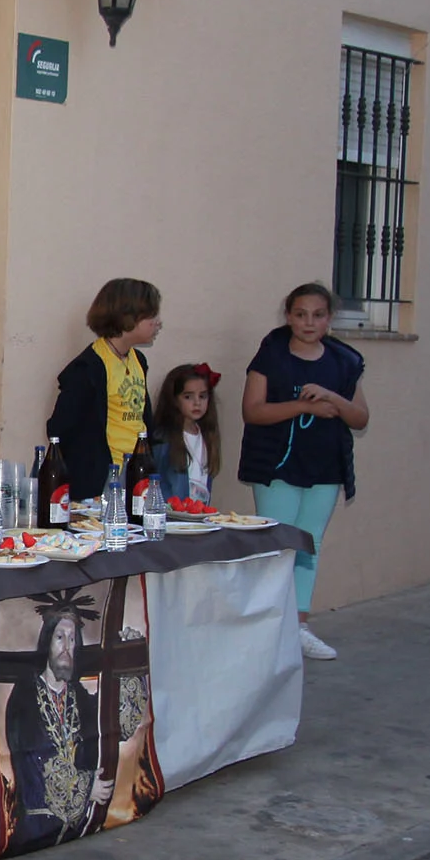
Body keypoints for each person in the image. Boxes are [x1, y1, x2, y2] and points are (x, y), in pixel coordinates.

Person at [238, 282, 370, 662]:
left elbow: (360, 416)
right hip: (278, 466)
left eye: (318, 315)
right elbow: (254, 411)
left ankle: (299, 626)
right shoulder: (271, 356)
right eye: (300, 314)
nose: (309, 323)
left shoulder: (344, 361)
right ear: (288, 316)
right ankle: (269, 626)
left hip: (324, 467)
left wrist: (331, 397)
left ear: (329, 318)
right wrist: (302, 406)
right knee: (277, 544)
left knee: (308, 546)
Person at [0, 600, 115, 854]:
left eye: (73, 640)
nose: (67, 647)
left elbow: (111, 722)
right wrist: (85, 789)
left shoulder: (79, 696)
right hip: (36, 827)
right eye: (60, 637)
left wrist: (128, 677)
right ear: (47, 643)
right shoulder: (25, 697)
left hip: (79, 832)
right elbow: (35, 760)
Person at [44, 278, 162, 508]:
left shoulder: (138, 360)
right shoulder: (88, 368)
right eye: (151, 316)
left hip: (136, 477)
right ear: (128, 317)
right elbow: (59, 428)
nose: (158, 323)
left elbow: (142, 418)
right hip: (100, 484)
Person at [151, 364, 223, 504]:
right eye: (188, 397)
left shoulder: (207, 435)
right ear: (174, 399)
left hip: (197, 519)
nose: (197, 403)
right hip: (172, 519)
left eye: (202, 396)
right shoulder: (163, 438)